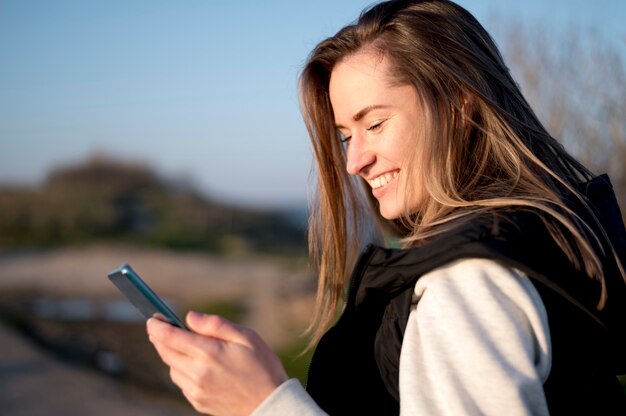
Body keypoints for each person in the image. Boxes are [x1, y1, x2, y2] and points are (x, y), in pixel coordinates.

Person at [147, 0, 626, 414]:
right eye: (345, 136)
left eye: (374, 124)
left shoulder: (466, 284)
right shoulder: (543, 237)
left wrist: (263, 404)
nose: (355, 161)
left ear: (459, 107)